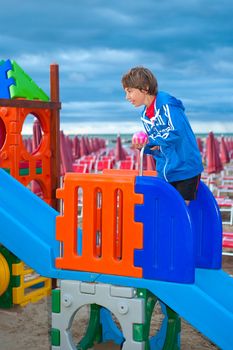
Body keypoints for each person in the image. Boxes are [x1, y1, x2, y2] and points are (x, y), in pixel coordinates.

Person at [121, 66, 204, 204]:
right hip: (165, 172)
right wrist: (144, 147)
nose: (127, 97)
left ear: (145, 88)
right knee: (166, 209)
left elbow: (176, 131)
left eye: (130, 91)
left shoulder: (167, 105)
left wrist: (152, 141)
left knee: (180, 211)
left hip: (185, 168)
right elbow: (158, 146)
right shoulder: (145, 115)